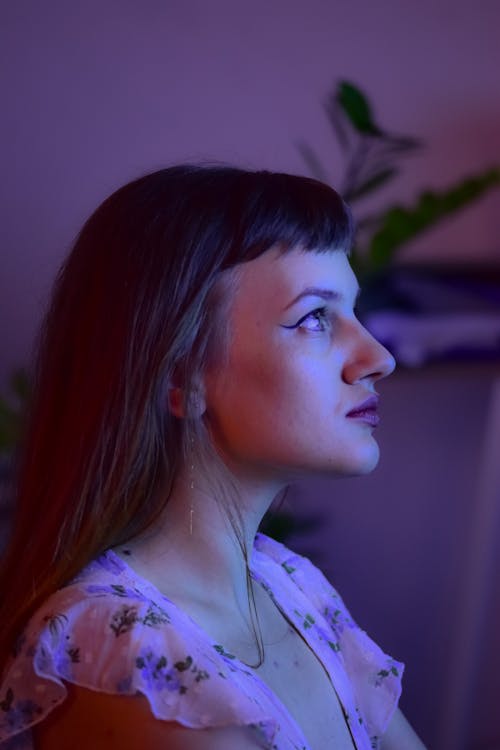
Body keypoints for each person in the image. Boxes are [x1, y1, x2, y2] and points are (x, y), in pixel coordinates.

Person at [0, 165, 426, 749]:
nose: (377, 357)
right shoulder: (122, 649)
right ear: (180, 374)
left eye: (353, 312)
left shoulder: (294, 589)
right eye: (314, 318)